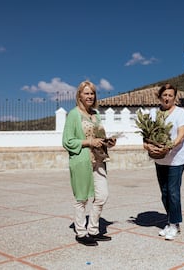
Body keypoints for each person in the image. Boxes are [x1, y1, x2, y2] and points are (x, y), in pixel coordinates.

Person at [62, 80, 116, 246]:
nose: (90, 96)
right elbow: (67, 141)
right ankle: (81, 232)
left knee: (102, 196)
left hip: (98, 159)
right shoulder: (73, 114)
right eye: (86, 93)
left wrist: (107, 142)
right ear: (79, 95)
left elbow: (98, 136)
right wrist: (89, 142)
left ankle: (93, 230)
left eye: (92, 93)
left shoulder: (96, 115)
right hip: (81, 160)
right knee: (82, 197)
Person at [143, 83, 184, 240]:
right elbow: (146, 135)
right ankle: (171, 222)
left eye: (170, 95)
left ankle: (175, 224)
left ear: (174, 97)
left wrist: (169, 147)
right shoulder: (153, 113)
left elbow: (181, 135)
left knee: (173, 192)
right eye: (165, 95)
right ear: (160, 97)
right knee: (164, 193)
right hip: (160, 160)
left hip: (176, 159)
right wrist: (149, 146)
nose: (167, 98)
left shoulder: (180, 113)